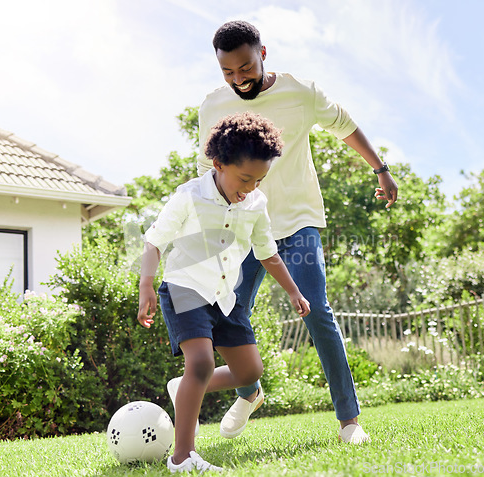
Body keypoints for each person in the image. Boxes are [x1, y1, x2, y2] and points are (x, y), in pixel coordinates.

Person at [196, 20, 399, 445]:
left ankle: (349, 422)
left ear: (263, 53)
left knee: (317, 311)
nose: (238, 79)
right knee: (230, 319)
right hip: (246, 229)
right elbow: (207, 173)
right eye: (228, 73)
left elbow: (345, 125)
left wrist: (379, 169)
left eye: (245, 67)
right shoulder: (212, 107)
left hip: (297, 222)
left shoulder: (300, 93)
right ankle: (249, 393)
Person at [137, 111, 310, 473]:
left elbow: (267, 252)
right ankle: (182, 457)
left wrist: (293, 291)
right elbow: (154, 242)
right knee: (200, 363)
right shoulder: (190, 195)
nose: (251, 187)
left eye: (259, 180)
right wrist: (146, 285)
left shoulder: (256, 204)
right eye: (245, 178)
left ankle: (184, 386)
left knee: (249, 373)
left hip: (224, 297)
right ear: (218, 163)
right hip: (184, 287)